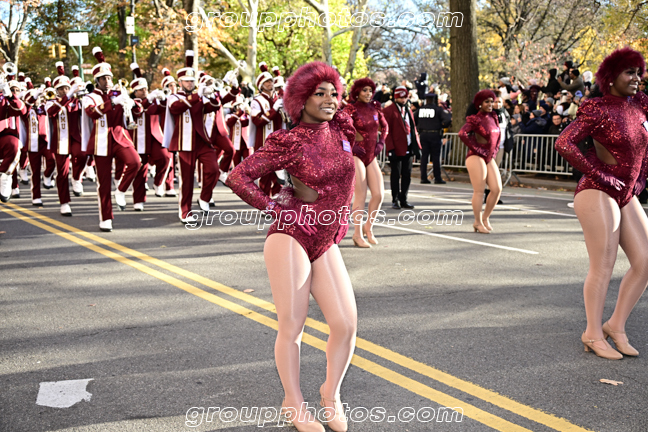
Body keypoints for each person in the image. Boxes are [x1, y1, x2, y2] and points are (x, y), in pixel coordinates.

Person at [227, 62, 357, 432]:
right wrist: (275, 207)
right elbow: (238, 177)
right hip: (291, 234)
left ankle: (330, 394)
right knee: (292, 324)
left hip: (325, 237)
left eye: (333, 93)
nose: (330, 99)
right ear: (301, 100)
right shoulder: (291, 140)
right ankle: (293, 402)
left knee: (346, 324)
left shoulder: (341, 131)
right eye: (320, 93)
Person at [555, 47, 648, 360]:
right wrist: (601, 173)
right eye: (629, 72)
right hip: (597, 190)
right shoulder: (598, 108)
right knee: (604, 264)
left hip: (625, 192)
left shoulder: (641, 105)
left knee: (646, 260)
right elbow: (564, 143)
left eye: (639, 72)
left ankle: (615, 326)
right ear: (610, 78)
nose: (636, 78)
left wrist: (641, 178)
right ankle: (592, 333)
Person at [81, 47, 142, 232]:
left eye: (109, 78)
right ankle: (106, 218)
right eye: (103, 79)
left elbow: (138, 112)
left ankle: (121, 190)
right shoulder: (90, 97)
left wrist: (132, 103)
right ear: (97, 81)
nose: (107, 81)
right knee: (104, 183)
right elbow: (92, 113)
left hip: (120, 136)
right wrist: (112, 102)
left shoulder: (118, 93)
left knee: (135, 162)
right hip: (100, 140)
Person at [342, 77, 388, 248]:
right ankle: (357, 234)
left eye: (370, 90)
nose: (368, 93)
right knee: (360, 195)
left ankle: (368, 227)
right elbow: (340, 130)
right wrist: (351, 146)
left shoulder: (375, 107)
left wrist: (381, 143)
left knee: (379, 194)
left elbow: (385, 127)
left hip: (371, 155)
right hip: (356, 154)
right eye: (364, 90)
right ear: (357, 92)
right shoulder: (350, 108)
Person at [459, 90, 502, 233]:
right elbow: (462, 133)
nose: (490, 104)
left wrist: (494, 151)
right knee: (479, 191)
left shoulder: (494, 116)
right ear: (479, 104)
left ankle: (485, 218)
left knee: (497, 189)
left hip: (489, 157)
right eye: (486, 102)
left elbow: (497, 136)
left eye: (492, 101)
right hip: (475, 156)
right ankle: (477, 222)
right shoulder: (475, 119)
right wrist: (477, 148)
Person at [383, 86, 421, 209]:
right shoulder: (389, 111)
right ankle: (395, 199)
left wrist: (417, 146)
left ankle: (404, 199)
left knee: (407, 174)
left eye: (405, 97)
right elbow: (387, 131)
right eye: (401, 98)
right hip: (396, 147)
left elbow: (413, 128)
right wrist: (390, 148)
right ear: (395, 98)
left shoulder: (408, 110)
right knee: (395, 175)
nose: (403, 100)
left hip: (409, 146)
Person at [416, 92, 451, 184]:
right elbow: (447, 119)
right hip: (435, 134)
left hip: (423, 134)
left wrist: (419, 126)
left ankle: (423, 177)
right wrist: (442, 125)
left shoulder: (420, 110)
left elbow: (414, 119)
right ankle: (437, 178)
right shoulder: (438, 110)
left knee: (424, 157)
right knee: (436, 157)